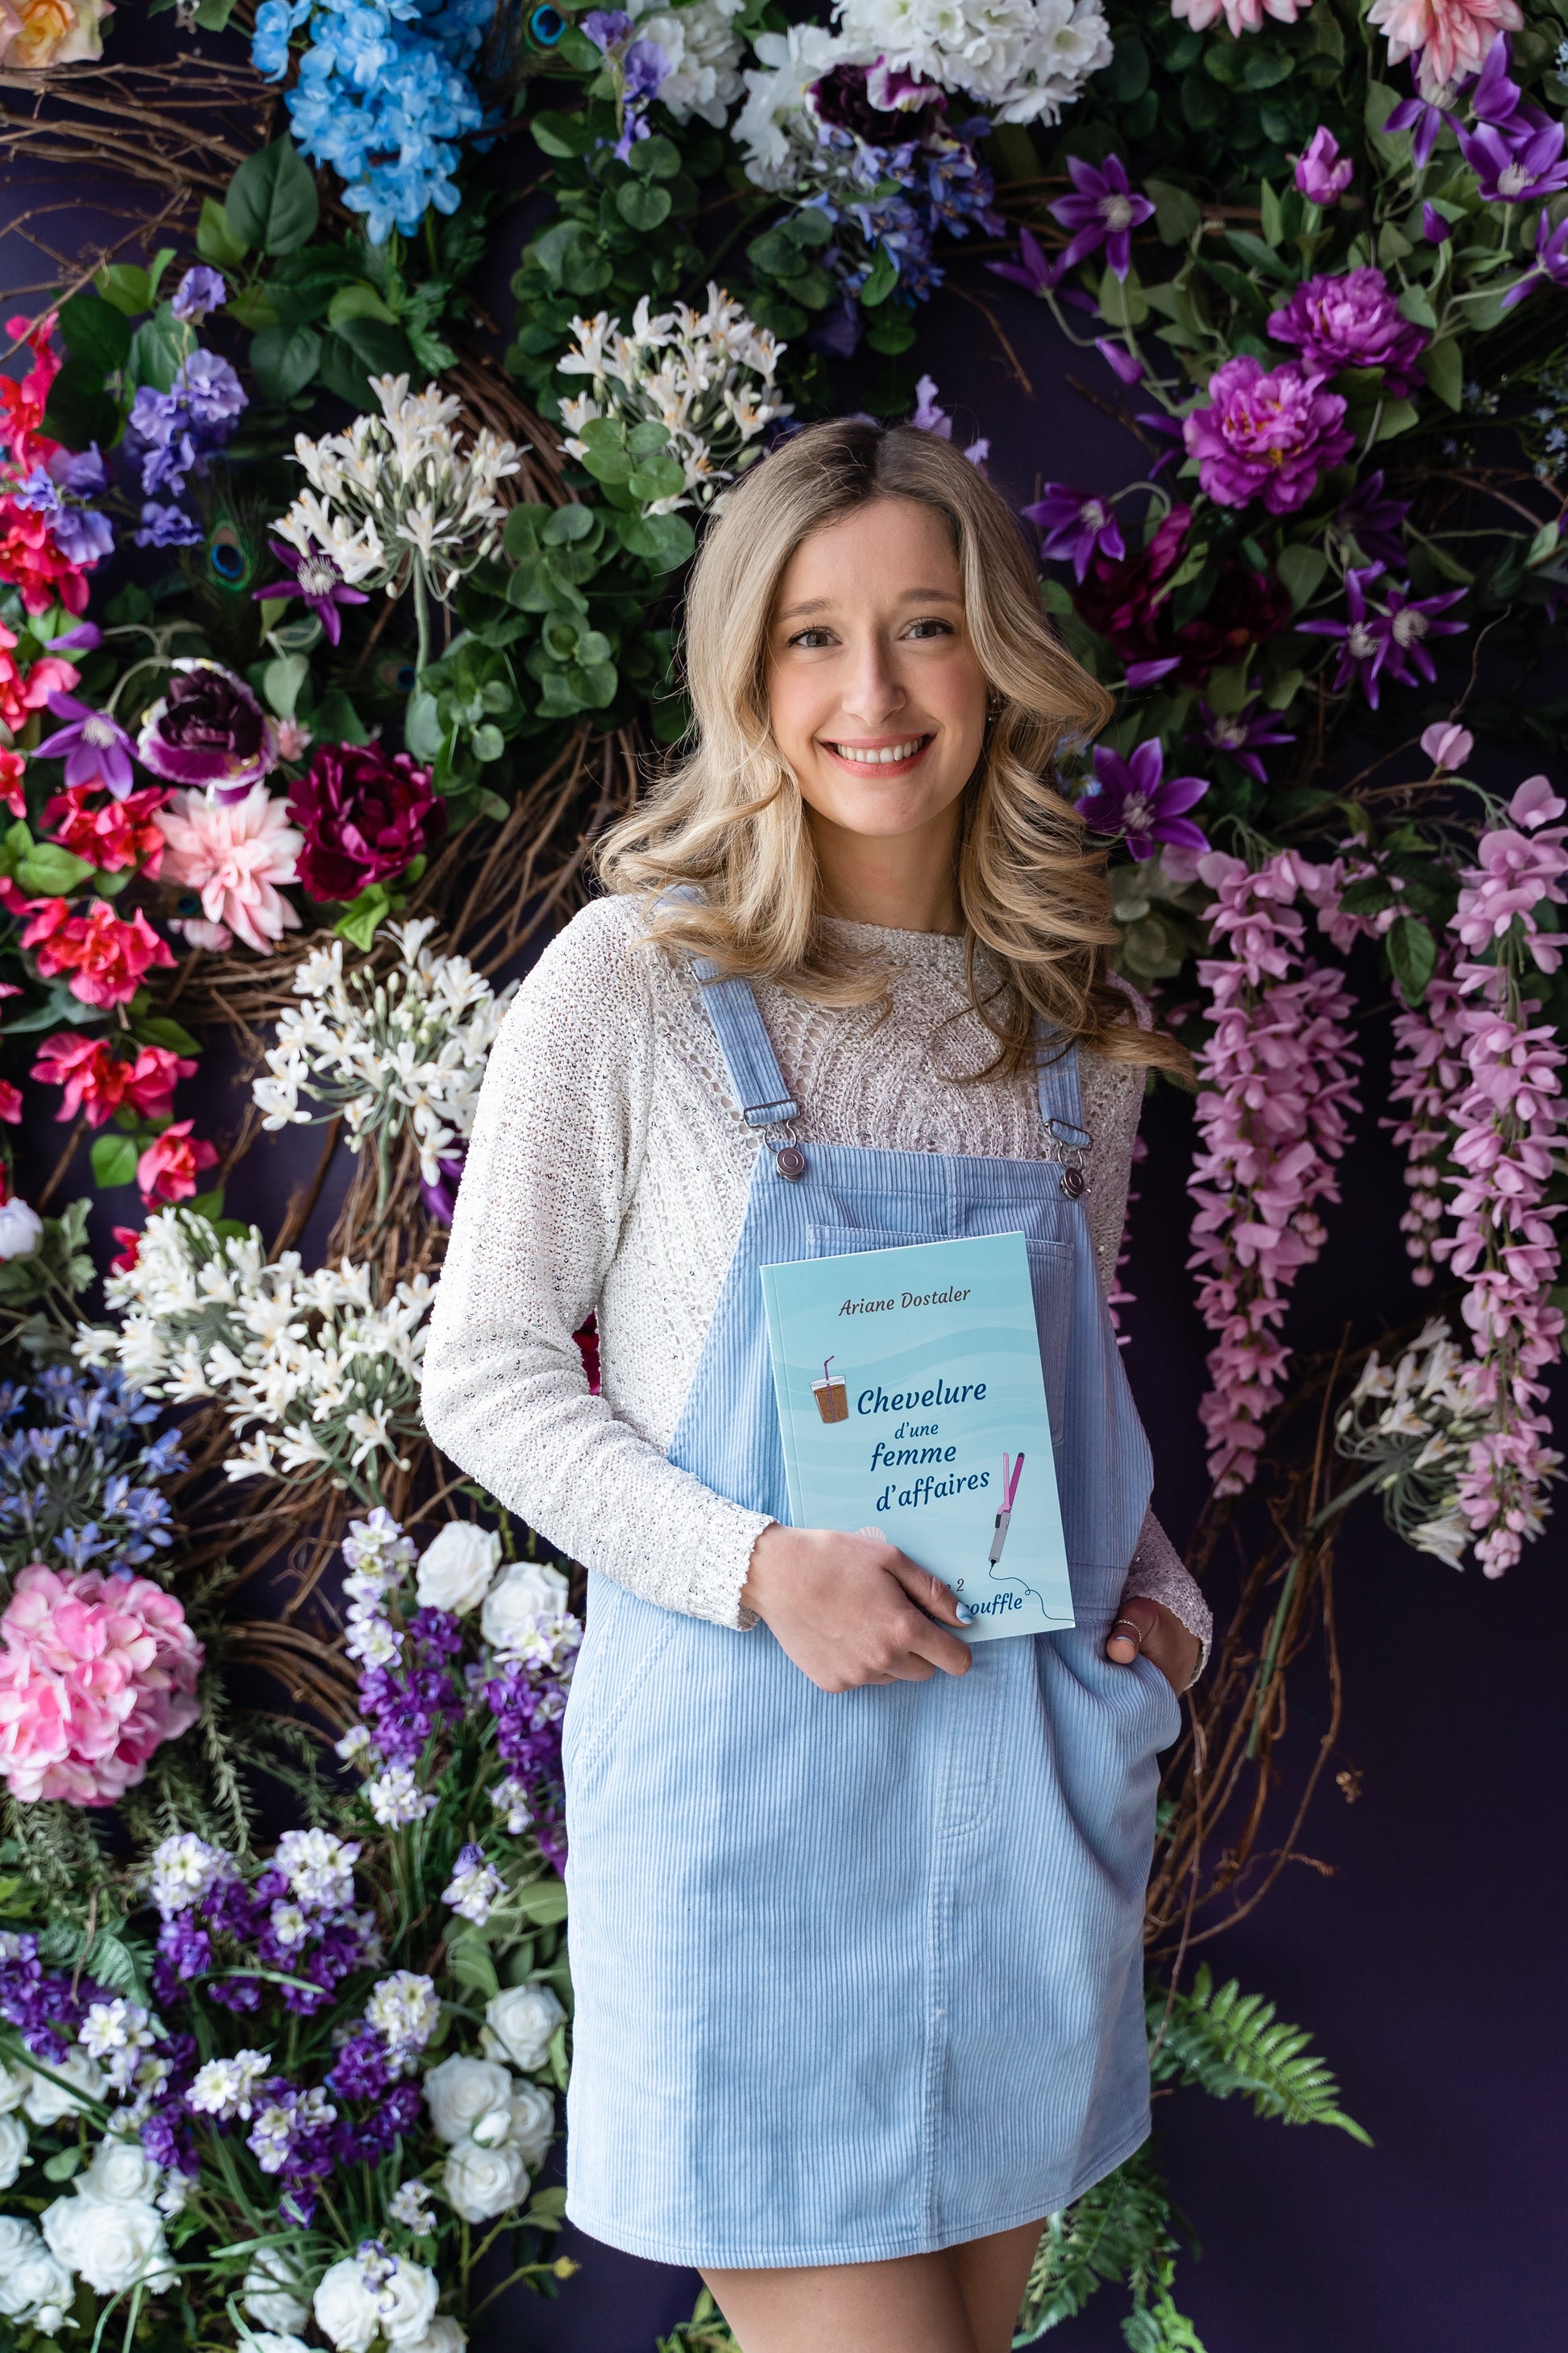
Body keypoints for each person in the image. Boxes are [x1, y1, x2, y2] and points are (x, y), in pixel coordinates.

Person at [421, 417, 1213, 2353]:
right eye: (809, 637)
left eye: (926, 627)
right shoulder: (628, 981)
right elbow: (486, 1373)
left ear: (996, 659)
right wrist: (764, 1561)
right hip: (749, 1835)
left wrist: (1166, 1619)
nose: (871, 693)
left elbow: (1058, 1412)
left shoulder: (1067, 1026)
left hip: (1017, 1811)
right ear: (744, 672)